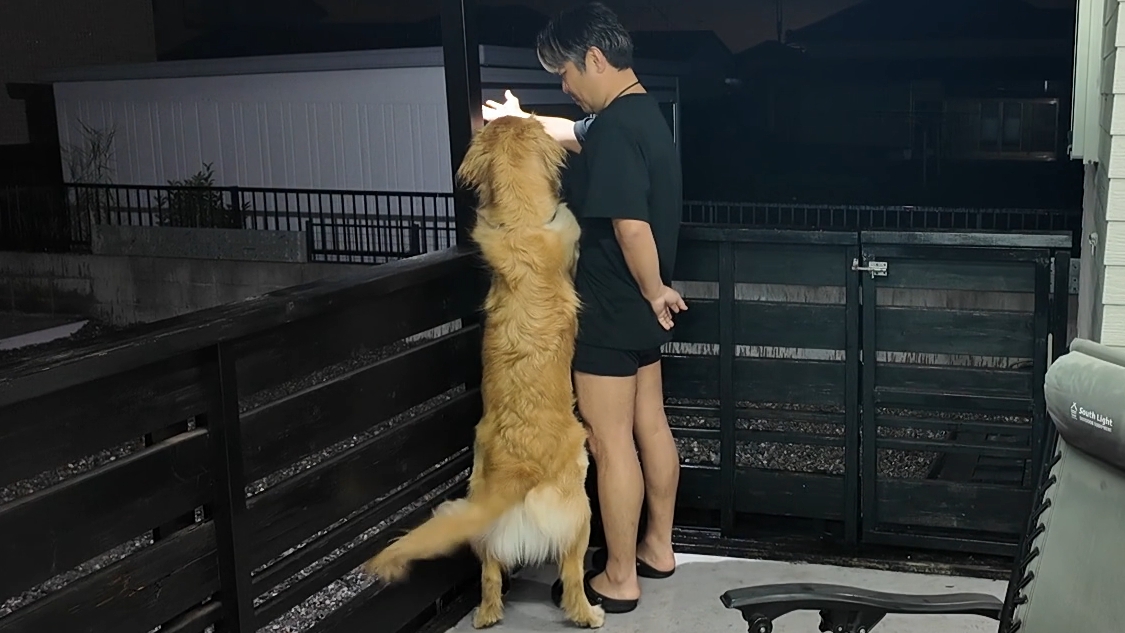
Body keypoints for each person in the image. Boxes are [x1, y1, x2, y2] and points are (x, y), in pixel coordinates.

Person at [481, 1, 686, 615]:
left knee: (608, 441)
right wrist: (522, 119)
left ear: (594, 58)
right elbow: (576, 132)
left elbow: (630, 225)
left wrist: (653, 288)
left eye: (565, 74)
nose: (564, 87)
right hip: (641, 311)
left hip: (614, 304)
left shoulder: (617, 128)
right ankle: (658, 548)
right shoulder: (643, 113)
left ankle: (619, 577)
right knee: (651, 426)